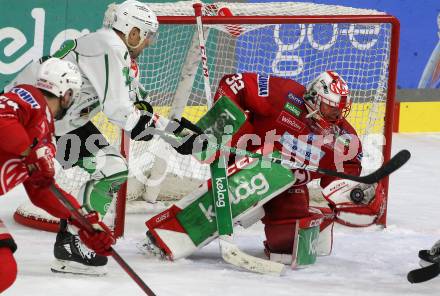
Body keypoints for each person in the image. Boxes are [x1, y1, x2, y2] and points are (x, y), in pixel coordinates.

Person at [5, 0, 202, 275]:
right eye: (147, 36)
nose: (148, 43)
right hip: (31, 121)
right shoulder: (109, 45)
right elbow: (120, 112)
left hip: (63, 124)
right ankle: (76, 240)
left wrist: (175, 130)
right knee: (109, 168)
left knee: (112, 167)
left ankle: (75, 239)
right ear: (133, 32)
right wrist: (172, 135)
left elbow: (136, 104)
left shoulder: (115, 52)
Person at [139, 71, 384, 265]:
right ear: (313, 99)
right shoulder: (285, 95)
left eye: (340, 110)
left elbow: (342, 180)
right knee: (257, 177)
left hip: (286, 184)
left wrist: (356, 193)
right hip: (245, 157)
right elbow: (233, 83)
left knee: (288, 247)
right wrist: (223, 126)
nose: (336, 117)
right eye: (331, 108)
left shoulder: (344, 138)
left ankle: (308, 223)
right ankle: (168, 236)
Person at [0, 58, 114, 292]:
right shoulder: (28, 97)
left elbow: (41, 191)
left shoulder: (45, 135)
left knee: (4, 269)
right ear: (66, 95)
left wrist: (82, 223)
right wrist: (29, 152)